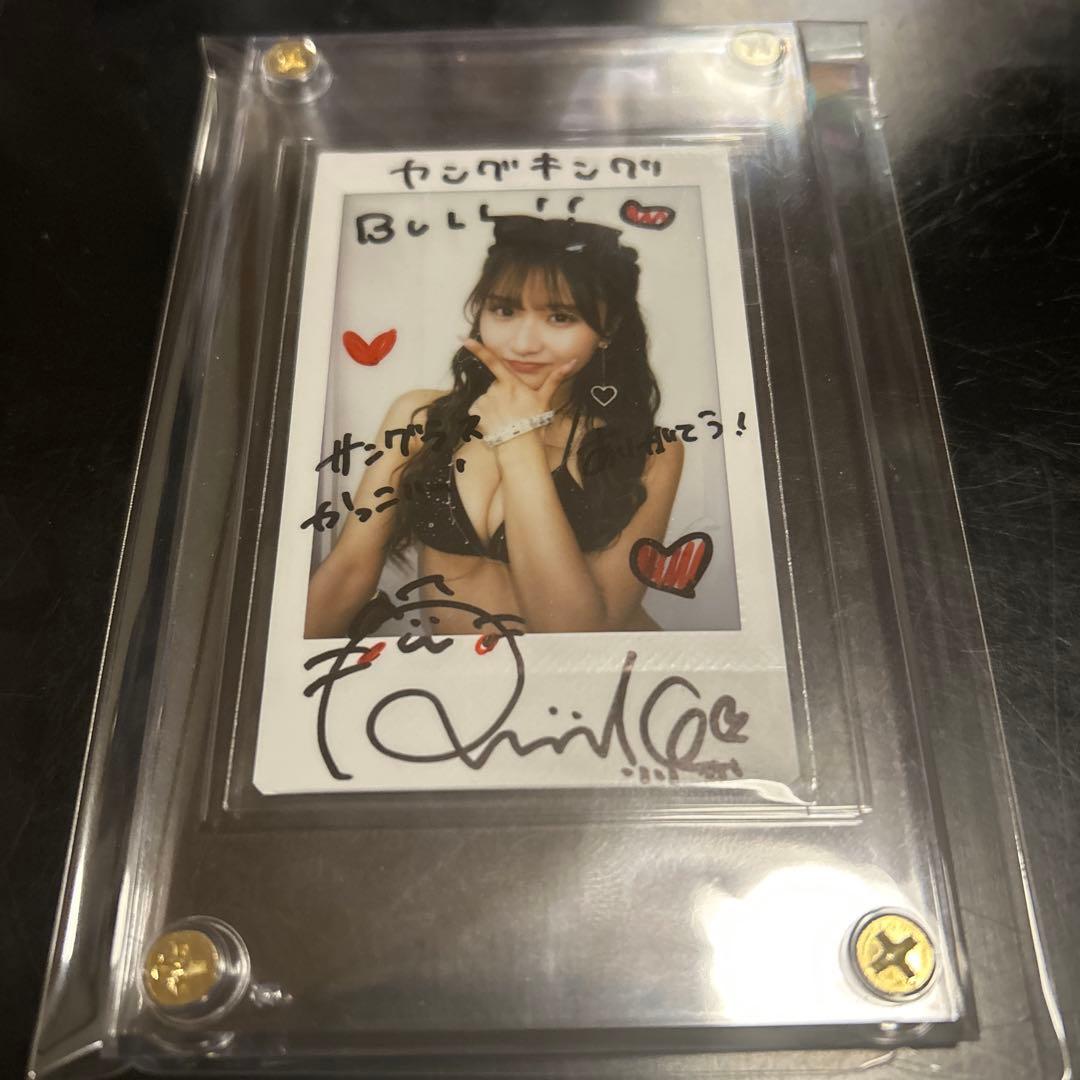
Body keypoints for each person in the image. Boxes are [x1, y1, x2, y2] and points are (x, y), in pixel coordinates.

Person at [305, 215, 684, 637]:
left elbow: (581, 632)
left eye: (560, 317)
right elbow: (348, 573)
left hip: (591, 675)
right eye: (504, 310)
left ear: (608, 327)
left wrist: (518, 440)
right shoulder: (421, 418)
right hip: (458, 674)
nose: (523, 343)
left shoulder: (650, 450)